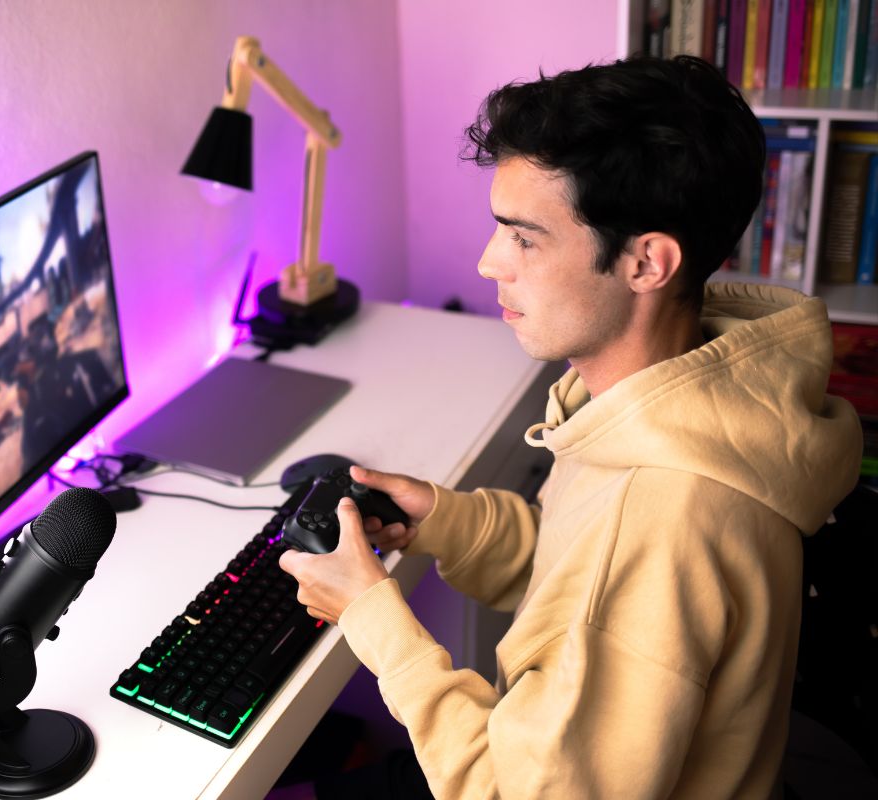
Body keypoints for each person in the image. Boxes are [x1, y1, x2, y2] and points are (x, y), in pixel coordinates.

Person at [278, 55, 863, 799]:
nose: (491, 262)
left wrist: (373, 619)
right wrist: (451, 522)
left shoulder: (663, 518)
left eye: (524, 238)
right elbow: (578, 583)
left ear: (647, 262)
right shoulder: (682, 399)